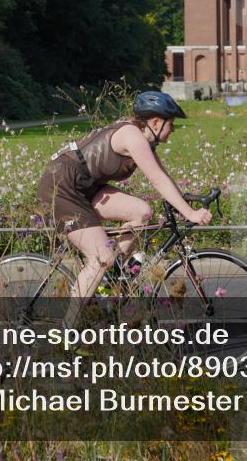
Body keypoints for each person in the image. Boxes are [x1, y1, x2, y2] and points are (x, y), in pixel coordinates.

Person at [37, 91, 212, 325]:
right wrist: (189, 213)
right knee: (100, 258)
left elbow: (164, 177)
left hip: (86, 185)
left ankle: (112, 275)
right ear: (156, 123)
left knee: (141, 212)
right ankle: (67, 331)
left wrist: (184, 200)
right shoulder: (132, 136)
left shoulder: (143, 138)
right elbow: (157, 180)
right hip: (62, 185)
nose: (173, 130)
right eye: (172, 124)